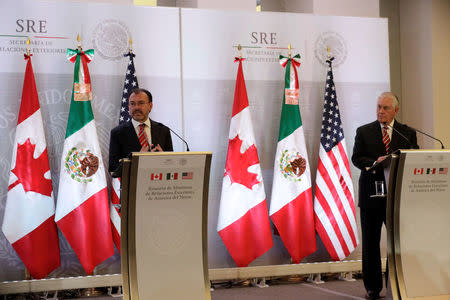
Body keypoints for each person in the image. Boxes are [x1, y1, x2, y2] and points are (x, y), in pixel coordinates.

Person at [352, 92, 418, 300]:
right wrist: (374, 162)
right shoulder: (364, 131)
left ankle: (394, 284)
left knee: (396, 243)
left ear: (395, 110)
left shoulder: (407, 133)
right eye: (379, 107)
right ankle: (372, 288)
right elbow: (356, 157)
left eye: (385, 108)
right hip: (371, 194)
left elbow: (414, 153)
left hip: (396, 197)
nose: (380, 111)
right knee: (371, 243)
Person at [108, 88, 173, 174]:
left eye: (141, 103)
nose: (136, 107)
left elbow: (172, 164)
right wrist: (136, 160)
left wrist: (163, 158)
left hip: (159, 184)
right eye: (132, 104)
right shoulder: (118, 133)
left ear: (150, 106)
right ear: (128, 106)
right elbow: (113, 169)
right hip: (132, 186)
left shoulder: (163, 130)